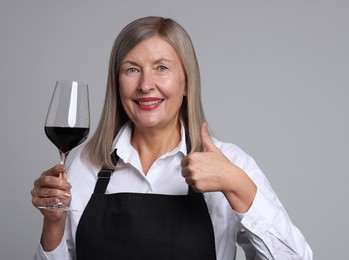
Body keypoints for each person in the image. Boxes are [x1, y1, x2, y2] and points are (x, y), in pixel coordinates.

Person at [31, 16, 313, 259]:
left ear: (187, 81)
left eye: (162, 68)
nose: (145, 85)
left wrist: (236, 184)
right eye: (132, 69)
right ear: (117, 84)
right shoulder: (84, 166)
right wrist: (53, 223)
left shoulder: (231, 164)